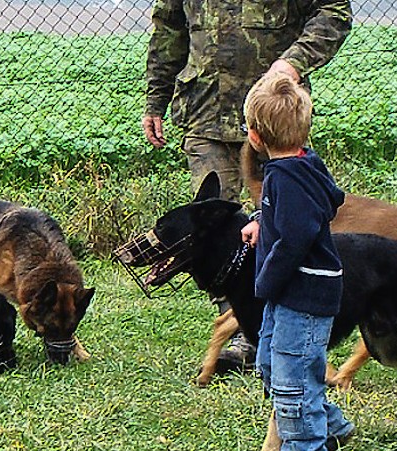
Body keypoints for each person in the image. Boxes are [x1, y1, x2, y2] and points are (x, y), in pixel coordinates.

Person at [143, 0, 353, 371]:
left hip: (272, 116)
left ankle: (277, 323)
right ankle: (244, 329)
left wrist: (292, 63)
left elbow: (334, 11)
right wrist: (156, 99)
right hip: (204, 109)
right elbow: (169, 28)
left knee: (278, 221)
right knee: (213, 230)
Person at [240, 72, 354, 451]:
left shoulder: (287, 181)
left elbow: (296, 237)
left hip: (301, 294)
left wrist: (266, 279)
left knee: (292, 378)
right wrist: (261, 221)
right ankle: (331, 425)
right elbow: (292, 217)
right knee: (273, 365)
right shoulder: (300, 167)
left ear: (255, 137)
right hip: (291, 294)